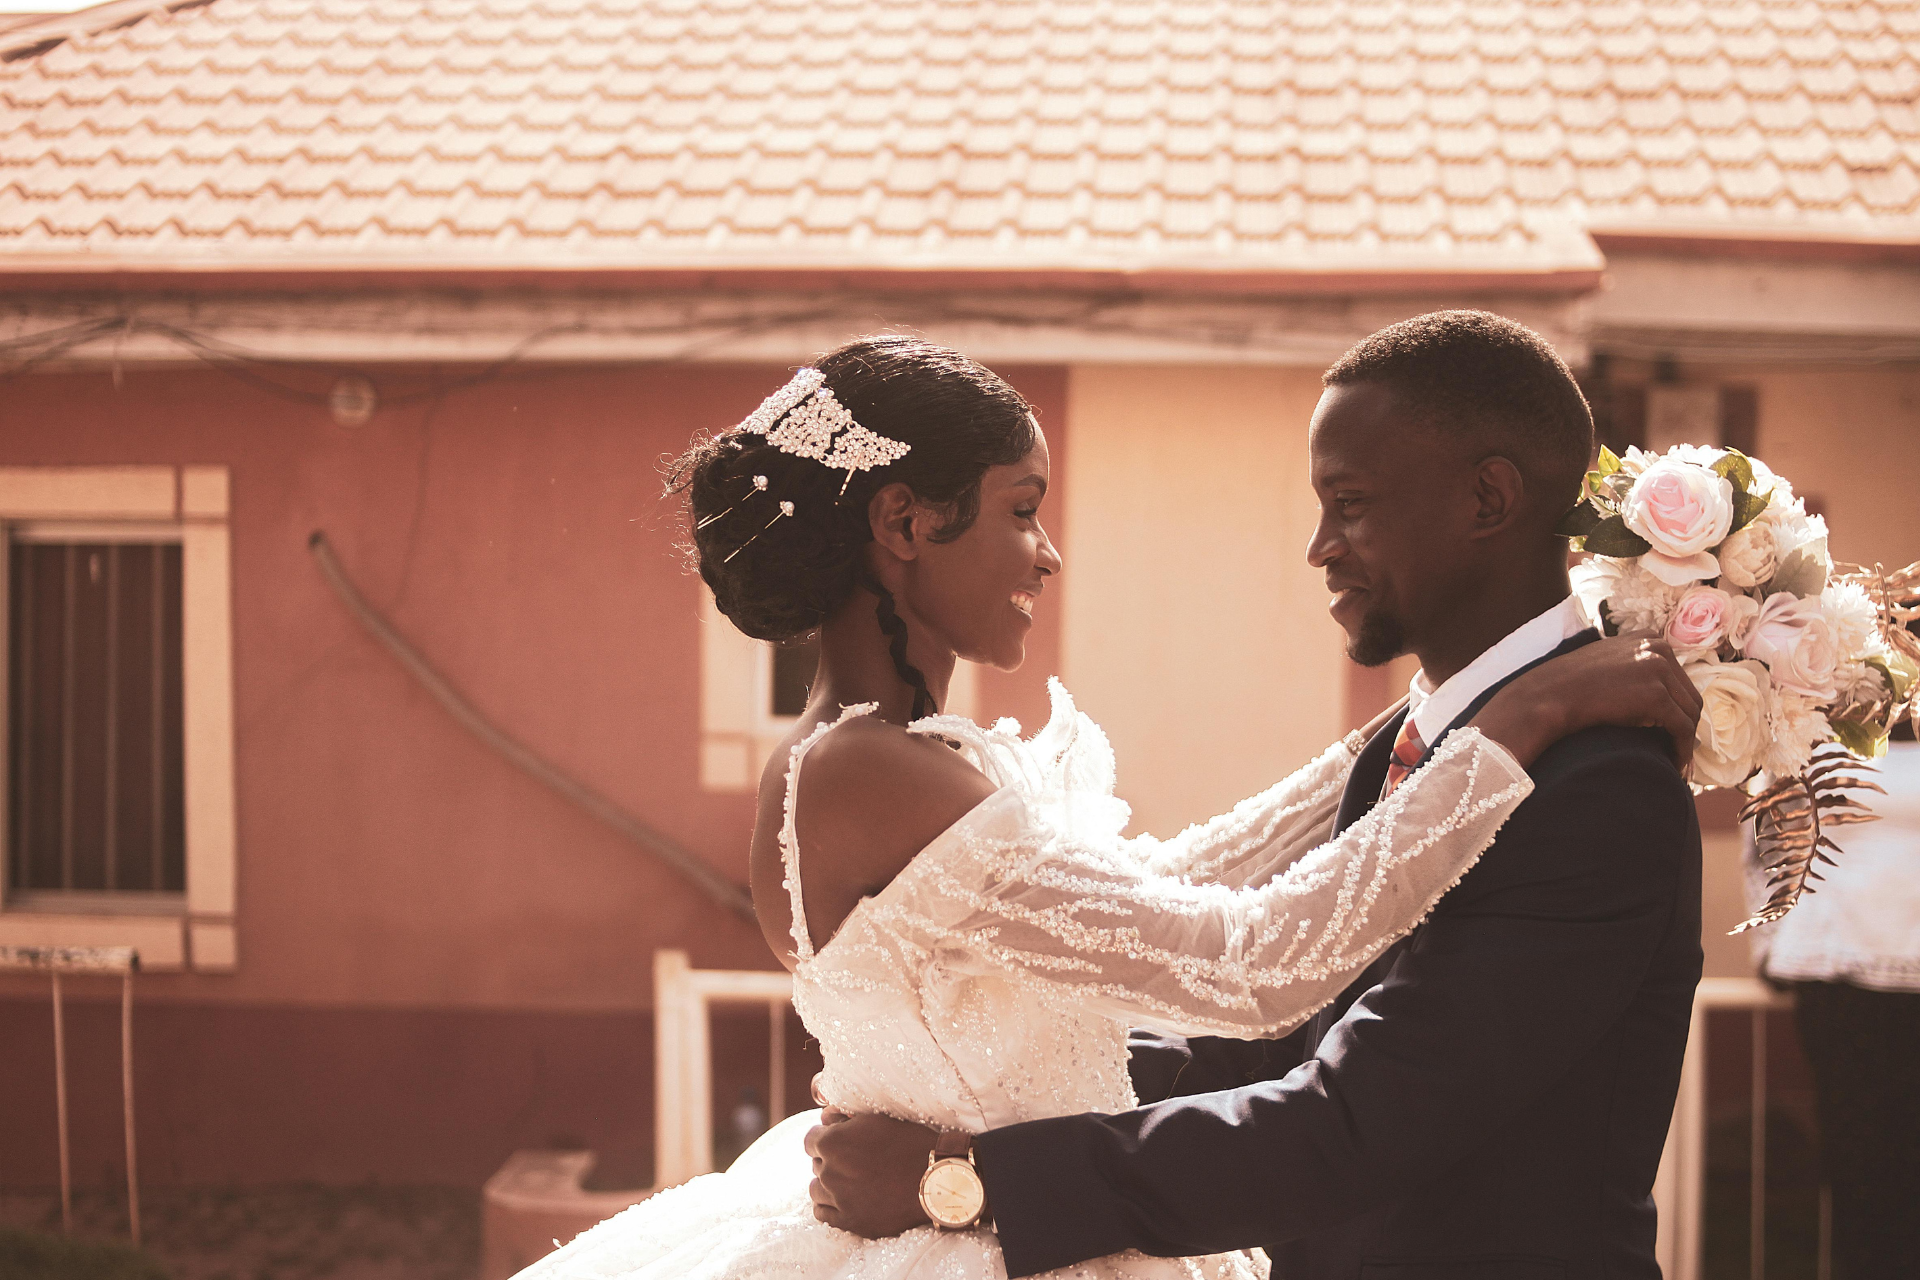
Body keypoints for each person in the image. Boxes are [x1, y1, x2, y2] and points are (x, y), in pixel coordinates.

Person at [514, 331, 1701, 1280]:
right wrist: (1509, 723)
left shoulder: (878, 759)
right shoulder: (882, 774)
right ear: (904, 523)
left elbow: (1178, 884)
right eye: (1021, 507)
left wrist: (1434, 727)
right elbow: (1255, 962)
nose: (1048, 554)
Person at [1746, 707, 1920, 1280]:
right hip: (1841, 982)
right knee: (1862, 1171)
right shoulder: (1814, 708)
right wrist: (1770, 942)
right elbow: (1768, 830)